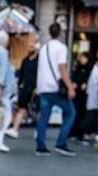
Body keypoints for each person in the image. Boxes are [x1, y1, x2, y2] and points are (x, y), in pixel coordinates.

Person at [35, 23, 77, 156]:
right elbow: (62, 69)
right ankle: (61, 143)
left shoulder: (43, 48)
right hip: (55, 87)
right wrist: (70, 87)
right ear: (60, 33)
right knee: (70, 113)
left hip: (44, 87)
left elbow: (40, 68)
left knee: (44, 117)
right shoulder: (61, 48)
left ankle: (40, 146)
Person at [7, 41, 38, 139]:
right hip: (25, 89)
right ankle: (15, 129)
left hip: (35, 89)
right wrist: (19, 85)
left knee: (37, 111)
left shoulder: (39, 61)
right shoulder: (25, 60)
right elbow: (21, 74)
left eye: (31, 47)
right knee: (22, 108)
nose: (29, 49)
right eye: (28, 47)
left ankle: (39, 130)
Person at [69, 52, 92, 144]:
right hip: (77, 94)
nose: (82, 60)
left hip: (85, 95)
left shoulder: (90, 69)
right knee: (76, 114)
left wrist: (85, 84)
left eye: (84, 58)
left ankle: (81, 133)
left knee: (83, 114)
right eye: (81, 58)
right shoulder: (78, 68)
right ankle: (73, 133)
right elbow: (74, 78)